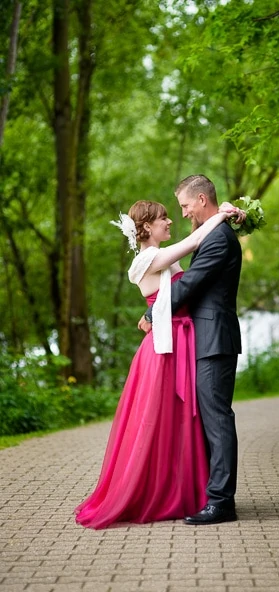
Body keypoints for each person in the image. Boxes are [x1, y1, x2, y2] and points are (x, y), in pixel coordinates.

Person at [74, 198, 243, 529]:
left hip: (183, 340)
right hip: (165, 349)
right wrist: (223, 214)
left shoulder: (161, 259)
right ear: (147, 227)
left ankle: (186, 491)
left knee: (182, 422)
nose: (170, 221)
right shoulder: (146, 259)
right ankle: (154, 492)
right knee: (158, 421)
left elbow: (188, 275)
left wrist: (225, 215)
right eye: (164, 217)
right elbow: (194, 242)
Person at [139, 175, 243, 525]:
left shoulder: (218, 240)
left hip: (214, 340)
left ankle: (221, 503)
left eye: (185, 206)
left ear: (201, 200)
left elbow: (191, 285)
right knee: (210, 419)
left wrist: (153, 313)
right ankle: (210, 494)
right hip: (207, 338)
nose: (182, 213)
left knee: (216, 419)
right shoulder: (214, 233)